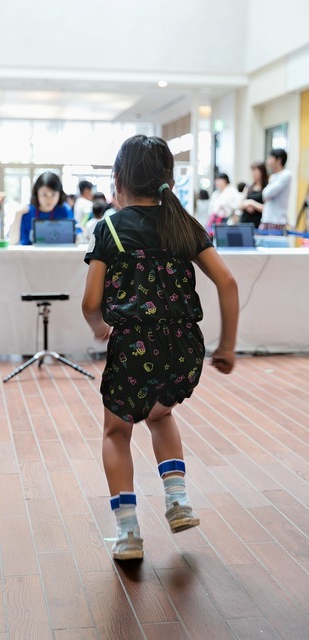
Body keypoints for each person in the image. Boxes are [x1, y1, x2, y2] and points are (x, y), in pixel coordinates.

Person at [82, 134, 238, 561]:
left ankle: (129, 533)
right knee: (161, 414)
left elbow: (90, 302)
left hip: (135, 346)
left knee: (117, 432)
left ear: (118, 180)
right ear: (167, 179)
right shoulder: (183, 224)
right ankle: (178, 502)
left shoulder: (110, 227)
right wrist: (227, 346)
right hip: (183, 347)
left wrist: (98, 325)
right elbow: (227, 281)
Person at [9, 172, 73, 245]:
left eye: (53, 194)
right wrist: (18, 215)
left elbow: (77, 236)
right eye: (44, 195)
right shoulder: (26, 212)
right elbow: (12, 242)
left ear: (60, 194)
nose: (49, 199)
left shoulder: (64, 210)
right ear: (36, 194)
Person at [259, 148, 292, 231]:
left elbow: (267, 193)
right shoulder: (274, 176)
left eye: (271, 159)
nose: (268, 162)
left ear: (279, 160)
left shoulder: (286, 175)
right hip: (267, 218)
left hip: (277, 221)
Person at [239, 162, 269, 229]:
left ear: (262, 172)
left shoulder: (267, 188)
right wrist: (247, 205)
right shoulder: (248, 187)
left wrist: (252, 203)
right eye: (252, 171)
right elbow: (240, 204)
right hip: (245, 221)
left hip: (258, 223)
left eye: (255, 171)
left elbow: (267, 208)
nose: (253, 174)